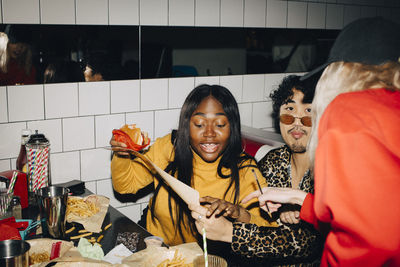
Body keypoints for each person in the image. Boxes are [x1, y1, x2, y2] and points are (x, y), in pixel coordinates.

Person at [241, 17, 400, 266]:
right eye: (288, 111)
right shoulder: (391, 110)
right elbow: (366, 212)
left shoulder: (349, 111)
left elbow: (370, 241)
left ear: (342, 71)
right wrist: (297, 198)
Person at [110, 84, 277, 247]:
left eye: (219, 124)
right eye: (199, 124)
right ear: (187, 125)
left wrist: (240, 214)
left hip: (207, 259)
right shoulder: (169, 147)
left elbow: (270, 232)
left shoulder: (246, 170)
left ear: (232, 127)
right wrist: (122, 154)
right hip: (156, 247)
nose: (209, 133)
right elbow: (125, 187)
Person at [189, 75, 323, 266]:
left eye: (308, 111)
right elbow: (257, 219)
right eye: (289, 110)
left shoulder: (330, 171)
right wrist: (235, 211)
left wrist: (231, 233)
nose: (296, 121)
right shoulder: (273, 161)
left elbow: (306, 243)